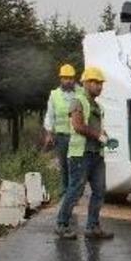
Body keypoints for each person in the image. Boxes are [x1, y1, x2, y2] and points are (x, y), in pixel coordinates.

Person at [55, 67, 115, 240]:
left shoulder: (98, 106)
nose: (99, 86)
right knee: (75, 191)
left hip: (96, 154)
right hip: (80, 154)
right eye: (95, 82)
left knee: (99, 191)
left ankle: (92, 226)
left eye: (101, 83)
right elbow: (78, 126)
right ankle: (61, 224)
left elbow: (97, 129)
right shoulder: (78, 101)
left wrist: (106, 138)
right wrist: (99, 136)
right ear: (86, 83)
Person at [42, 64, 83, 197]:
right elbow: (50, 115)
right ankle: (65, 190)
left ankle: (75, 191)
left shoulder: (81, 92)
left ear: (74, 78)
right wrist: (49, 133)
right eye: (65, 78)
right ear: (61, 79)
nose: (68, 81)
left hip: (78, 136)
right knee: (64, 164)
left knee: (76, 164)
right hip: (62, 137)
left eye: (70, 78)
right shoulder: (54, 95)